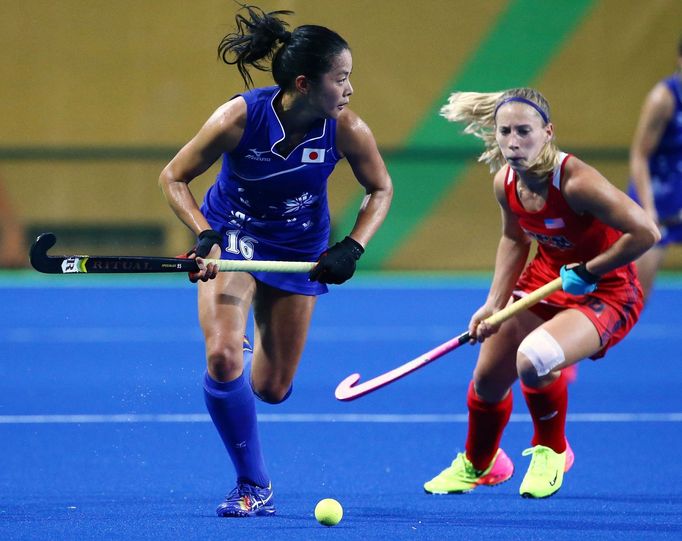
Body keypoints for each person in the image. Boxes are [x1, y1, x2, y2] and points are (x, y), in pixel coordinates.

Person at [158, 5, 392, 517]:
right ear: (305, 84)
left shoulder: (347, 129)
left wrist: (352, 246)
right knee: (223, 358)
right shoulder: (240, 117)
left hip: (299, 250)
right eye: (342, 78)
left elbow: (380, 189)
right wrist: (204, 236)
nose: (350, 89)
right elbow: (174, 177)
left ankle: (254, 327)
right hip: (235, 240)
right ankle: (252, 483)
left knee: (272, 387)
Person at [423, 88, 659, 499]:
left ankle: (553, 449)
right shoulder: (506, 182)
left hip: (607, 291)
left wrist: (590, 269)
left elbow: (646, 233)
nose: (513, 142)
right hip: (543, 282)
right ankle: (481, 464)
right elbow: (514, 239)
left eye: (524, 131)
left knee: (535, 359)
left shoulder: (578, 183)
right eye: (505, 132)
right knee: (487, 381)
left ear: (548, 132)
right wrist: (493, 304)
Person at [628, 36, 682, 303]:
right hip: (655, 202)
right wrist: (649, 212)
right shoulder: (663, 99)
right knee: (633, 300)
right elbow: (640, 155)